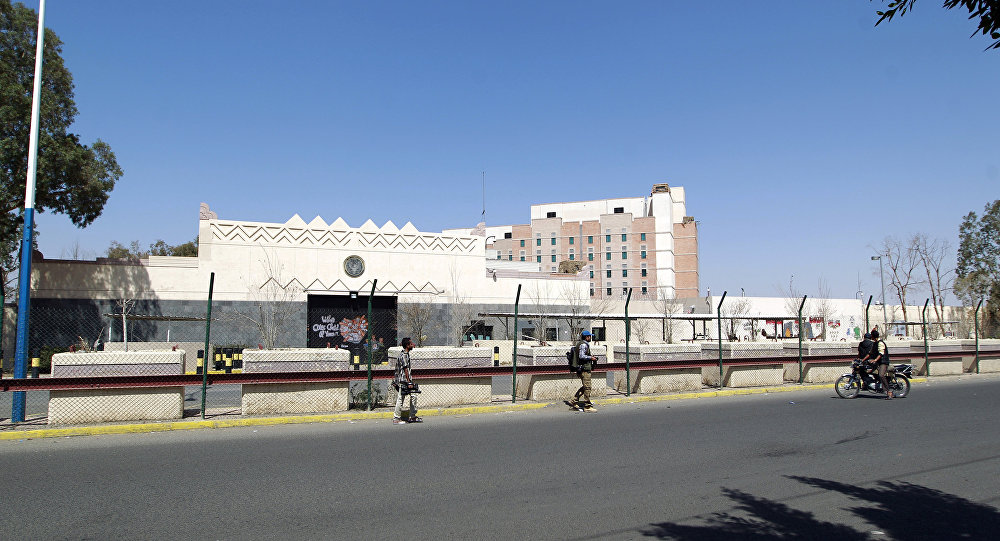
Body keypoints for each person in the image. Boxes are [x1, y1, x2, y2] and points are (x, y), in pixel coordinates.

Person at [393, 337, 420, 424]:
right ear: (407, 345)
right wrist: (409, 382)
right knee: (401, 398)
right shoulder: (404, 355)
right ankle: (396, 418)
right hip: (404, 380)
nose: (412, 345)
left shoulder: (404, 354)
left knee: (413, 396)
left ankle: (412, 416)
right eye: (411, 344)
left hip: (404, 379)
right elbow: (405, 369)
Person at [571, 330, 598, 412]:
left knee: (585, 387)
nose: (590, 337)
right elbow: (582, 356)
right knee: (587, 388)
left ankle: (574, 401)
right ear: (587, 337)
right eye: (589, 336)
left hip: (583, 368)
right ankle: (587, 406)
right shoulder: (583, 345)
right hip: (584, 369)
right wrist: (591, 358)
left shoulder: (581, 344)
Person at [869, 328, 893, 399]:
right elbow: (870, 353)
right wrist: (862, 359)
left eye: (872, 336)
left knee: (881, 375)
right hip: (878, 362)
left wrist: (875, 360)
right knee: (870, 371)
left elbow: (881, 353)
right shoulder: (875, 343)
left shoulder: (880, 343)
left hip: (883, 362)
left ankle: (889, 392)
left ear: (873, 337)